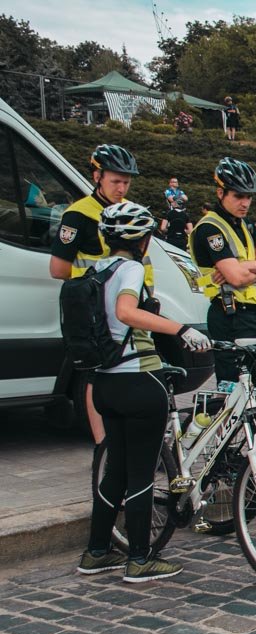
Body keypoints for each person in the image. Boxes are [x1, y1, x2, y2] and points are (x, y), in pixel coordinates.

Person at [78, 202, 211, 582]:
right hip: (139, 379)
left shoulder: (97, 270)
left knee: (114, 472)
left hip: (105, 381)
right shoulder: (132, 268)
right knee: (140, 474)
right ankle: (140, 558)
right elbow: (125, 312)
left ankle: (97, 551)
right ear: (144, 240)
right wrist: (181, 329)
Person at [50, 144, 141, 445]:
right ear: (97, 176)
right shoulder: (78, 215)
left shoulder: (129, 213)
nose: (122, 187)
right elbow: (58, 269)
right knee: (95, 374)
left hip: (129, 305)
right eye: (116, 181)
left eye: (126, 182)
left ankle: (124, 436)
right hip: (93, 308)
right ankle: (104, 444)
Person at [189, 158, 256, 394]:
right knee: (232, 391)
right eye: (238, 196)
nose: (245, 203)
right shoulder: (210, 228)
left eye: (249, 196)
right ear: (221, 192)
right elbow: (237, 278)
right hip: (228, 314)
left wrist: (248, 268)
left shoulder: (247, 226)